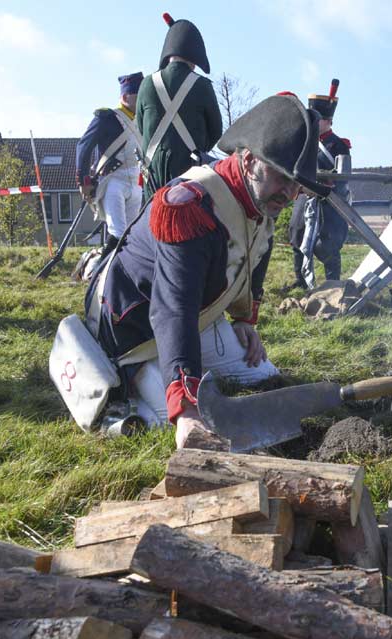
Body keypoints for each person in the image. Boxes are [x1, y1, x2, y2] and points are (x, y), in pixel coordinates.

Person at [85, 93, 328, 449]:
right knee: (163, 421)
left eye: (296, 184)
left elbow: (254, 254)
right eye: (281, 177)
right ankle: (123, 398)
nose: (289, 194)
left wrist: (244, 320)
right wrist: (185, 408)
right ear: (248, 161)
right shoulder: (188, 207)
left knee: (261, 376)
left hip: (197, 317)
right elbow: (172, 309)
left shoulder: (260, 199)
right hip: (132, 329)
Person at [136, 13, 223, 199]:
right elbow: (216, 131)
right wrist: (196, 147)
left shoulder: (146, 84)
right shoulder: (202, 85)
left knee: (150, 224)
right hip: (189, 174)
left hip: (152, 175)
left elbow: (141, 128)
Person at [289, 80, 352, 288]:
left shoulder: (339, 144)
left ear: (328, 121)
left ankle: (333, 283)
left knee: (329, 244)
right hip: (305, 196)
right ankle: (300, 280)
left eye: (317, 120)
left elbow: (343, 176)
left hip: (329, 200)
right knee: (297, 235)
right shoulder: (306, 141)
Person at [75, 72, 144, 249]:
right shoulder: (106, 118)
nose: (142, 99)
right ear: (125, 96)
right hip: (113, 182)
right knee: (118, 234)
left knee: (131, 235)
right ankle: (102, 272)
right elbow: (84, 146)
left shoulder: (142, 121)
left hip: (135, 184)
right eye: (138, 95)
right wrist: (84, 180)